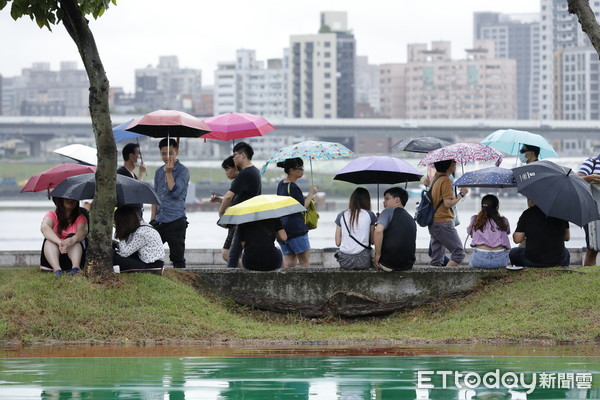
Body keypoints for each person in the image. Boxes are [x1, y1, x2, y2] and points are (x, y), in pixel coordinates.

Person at [218, 142, 262, 269]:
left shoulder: (245, 173)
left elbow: (228, 196)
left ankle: (246, 275)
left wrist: (221, 213)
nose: (233, 158)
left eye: (235, 155)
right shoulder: (254, 171)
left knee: (230, 255)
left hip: (242, 220)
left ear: (243, 155)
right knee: (233, 255)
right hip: (248, 219)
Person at [151, 138, 189, 269]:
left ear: (177, 151)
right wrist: (152, 219)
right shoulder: (158, 171)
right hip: (159, 220)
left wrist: (169, 173)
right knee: (150, 253)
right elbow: (155, 196)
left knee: (177, 258)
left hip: (176, 219)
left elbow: (175, 192)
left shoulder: (183, 171)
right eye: (163, 153)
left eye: (170, 153)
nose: (167, 157)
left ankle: (183, 286)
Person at [275, 157, 318, 268]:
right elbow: (302, 206)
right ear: (291, 170)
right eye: (300, 168)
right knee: (304, 262)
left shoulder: (281, 184)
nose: (302, 170)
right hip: (296, 229)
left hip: (283, 229)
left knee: (289, 263)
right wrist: (311, 194)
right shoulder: (293, 187)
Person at [428, 159, 468, 266]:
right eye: (454, 162)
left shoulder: (435, 178)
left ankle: (434, 280)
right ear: (449, 165)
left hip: (434, 221)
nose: (456, 164)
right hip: (443, 221)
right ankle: (443, 280)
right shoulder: (446, 180)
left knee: (437, 258)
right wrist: (462, 194)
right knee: (459, 253)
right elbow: (448, 203)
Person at [509, 199, 570, 268]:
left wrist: (521, 226)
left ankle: (521, 269)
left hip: (532, 261)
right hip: (557, 261)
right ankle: (562, 269)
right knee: (566, 252)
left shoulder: (527, 213)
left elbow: (517, 239)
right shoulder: (561, 214)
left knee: (514, 252)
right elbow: (566, 237)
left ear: (532, 201)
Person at [40, 197, 88, 276]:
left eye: (73, 198)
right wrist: (59, 243)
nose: (71, 200)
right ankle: (57, 270)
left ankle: (76, 268)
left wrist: (72, 239)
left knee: (73, 238)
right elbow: (44, 227)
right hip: (54, 255)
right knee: (49, 241)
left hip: (74, 254)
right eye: (67, 198)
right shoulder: (52, 215)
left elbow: (83, 231)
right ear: (60, 200)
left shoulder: (80, 217)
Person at [373, 187, 417, 271]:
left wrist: (377, 254)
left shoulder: (387, 211)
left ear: (397, 199)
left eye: (387, 199)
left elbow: (378, 231)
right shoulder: (410, 218)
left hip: (388, 263)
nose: (384, 201)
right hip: (407, 264)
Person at [334, 187, 377, 270]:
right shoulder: (370, 215)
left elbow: (337, 242)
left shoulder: (341, 215)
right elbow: (373, 241)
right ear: (367, 200)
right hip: (363, 260)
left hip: (345, 261)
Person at [113, 205, 165, 273]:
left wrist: (121, 235)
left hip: (151, 267)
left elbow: (124, 253)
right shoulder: (142, 227)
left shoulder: (141, 233)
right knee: (114, 254)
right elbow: (129, 248)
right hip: (150, 263)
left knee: (114, 257)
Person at [466, 194, 511, 269]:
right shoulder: (503, 221)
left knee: (471, 263)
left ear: (482, 207)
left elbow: (469, 232)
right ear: (497, 207)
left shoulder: (475, 219)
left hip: (479, 258)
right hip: (500, 259)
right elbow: (508, 232)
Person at [210, 155, 241, 263]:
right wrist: (220, 199)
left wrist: (221, 212)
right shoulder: (238, 181)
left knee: (227, 254)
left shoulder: (239, 181)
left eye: (227, 169)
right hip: (236, 222)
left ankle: (249, 271)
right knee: (231, 255)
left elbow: (229, 198)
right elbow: (233, 200)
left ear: (236, 168)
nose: (226, 172)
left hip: (236, 223)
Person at [577, 154, 600, 266]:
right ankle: (589, 275)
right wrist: (589, 178)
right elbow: (576, 180)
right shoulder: (592, 162)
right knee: (592, 249)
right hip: (592, 212)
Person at [117, 142, 147, 219]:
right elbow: (136, 190)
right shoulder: (122, 173)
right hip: (128, 218)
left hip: (136, 215)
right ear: (131, 156)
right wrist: (141, 173)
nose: (140, 157)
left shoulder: (133, 175)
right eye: (138, 154)